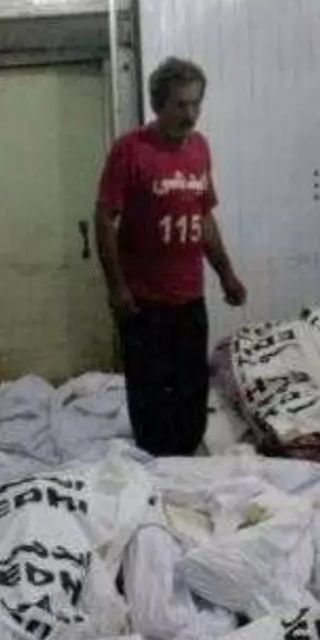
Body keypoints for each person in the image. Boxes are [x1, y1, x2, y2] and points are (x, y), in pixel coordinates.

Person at [93, 56, 247, 458]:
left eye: (196, 103)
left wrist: (226, 274)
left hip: (188, 296)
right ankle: (155, 467)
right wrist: (116, 289)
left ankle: (188, 459)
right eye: (181, 104)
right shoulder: (130, 151)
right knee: (150, 392)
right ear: (159, 104)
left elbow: (203, 215)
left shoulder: (199, 149)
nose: (191, 114)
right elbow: (104, 218)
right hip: (143, 301)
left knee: (191, 387)